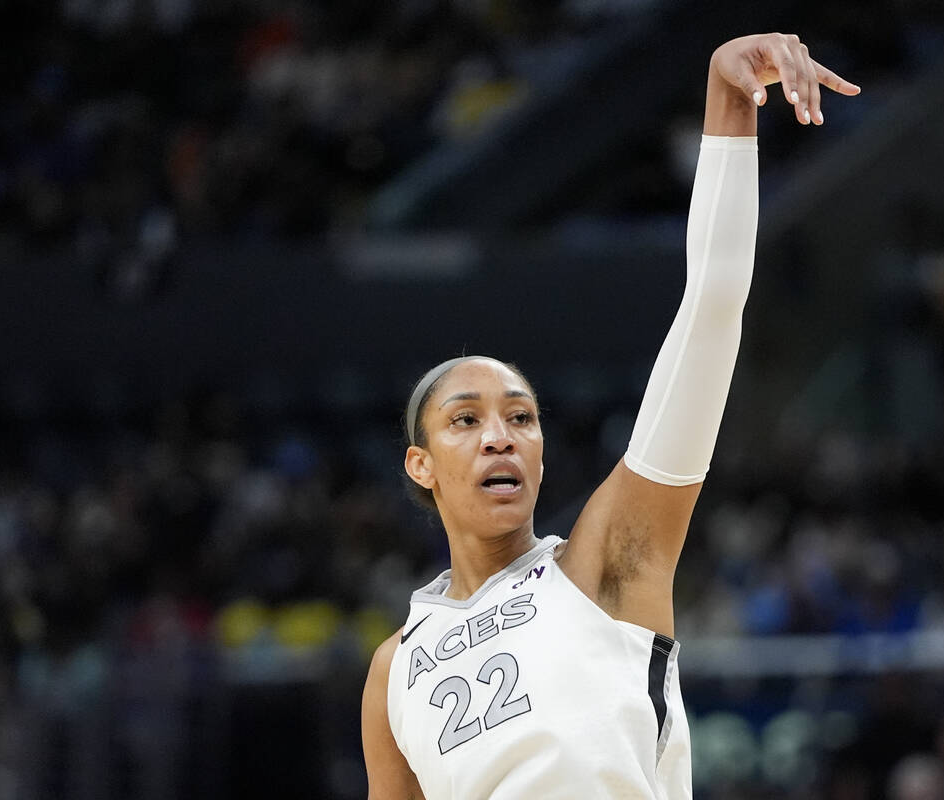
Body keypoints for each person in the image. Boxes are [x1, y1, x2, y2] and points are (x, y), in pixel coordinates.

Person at [361, 32, 860, 799]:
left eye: (521, 418)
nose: (500, 434)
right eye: (465, 420)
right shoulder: (395, 665)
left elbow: (712, 308)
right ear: (419, 464)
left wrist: (728, 102)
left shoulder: (602, 564)